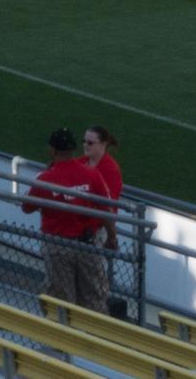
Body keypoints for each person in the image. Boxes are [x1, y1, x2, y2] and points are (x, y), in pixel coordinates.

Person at [21, 128, 113, 311]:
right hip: (88, 245)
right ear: (73, 150)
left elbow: (26, 207)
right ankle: (95, 337)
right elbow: (106, 210)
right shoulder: (92, 174)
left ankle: (64, 337)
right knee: (94, 299)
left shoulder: (45, 179)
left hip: (57, 247)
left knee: (61, 301)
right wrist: (113, 237)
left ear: (52, 151)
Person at [82, 124, 126, 314]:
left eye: (90, 142)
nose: (86, 145)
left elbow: (109, 205)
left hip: (94, 230)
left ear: (103, 145)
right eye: (84, 141)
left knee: (93, 282)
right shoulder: (83, 162)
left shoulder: (110, 169)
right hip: (80, 227)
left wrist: (111, 234)